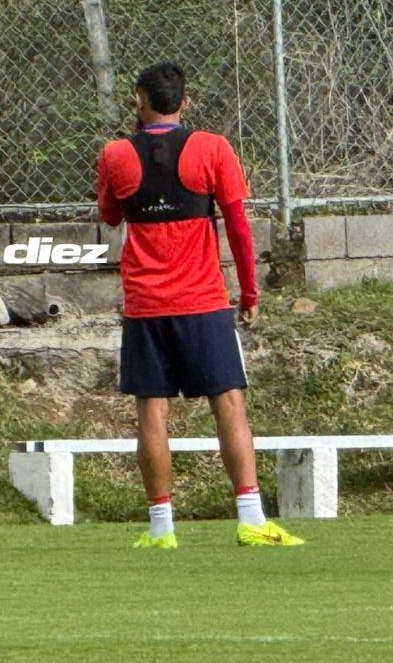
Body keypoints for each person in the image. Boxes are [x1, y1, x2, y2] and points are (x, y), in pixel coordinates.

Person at [96, 62, 304, 548]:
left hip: (146, 304)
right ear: (185, 103)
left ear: (138, 100)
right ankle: (251, 520)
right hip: (203, 301)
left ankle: (161, 529)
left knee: (152, 410)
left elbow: (108, 215)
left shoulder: (116, 154)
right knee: (229, 403)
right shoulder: (213, 148)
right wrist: (249, 293)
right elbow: (238, 225)